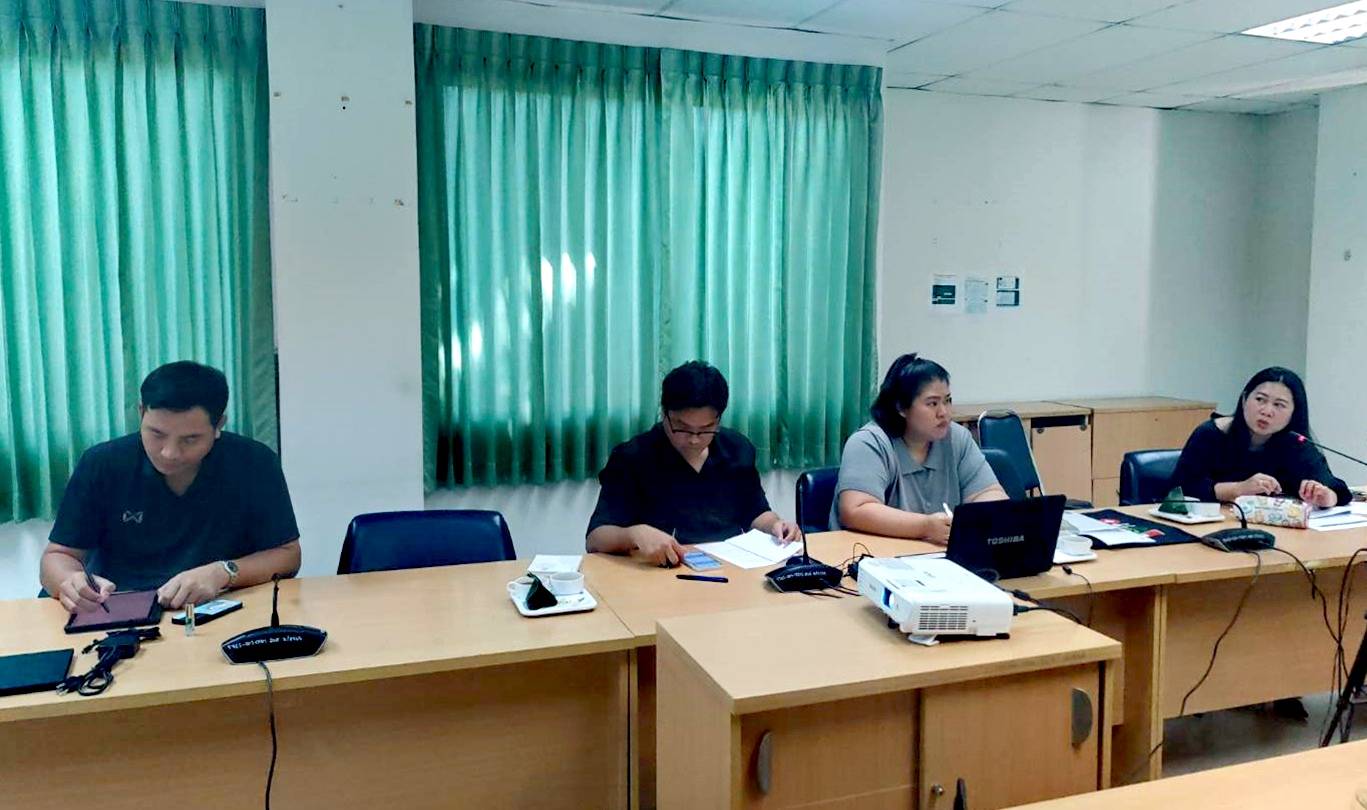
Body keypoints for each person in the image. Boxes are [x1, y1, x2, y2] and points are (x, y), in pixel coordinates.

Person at [40, 361, 302, 612]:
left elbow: (287, 555)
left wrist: (223, 572)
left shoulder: (254, 462)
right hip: (118, 607)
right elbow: (57, 556)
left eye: (190, 439)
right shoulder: (103, 463)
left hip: (217, 606)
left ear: (218, 425)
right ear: (141, 413)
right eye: (157, 434)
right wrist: (70, 582)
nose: (169, 453)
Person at [586, 360, 800, 566]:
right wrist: (633, 534)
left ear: (719, 419)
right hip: (659, 573)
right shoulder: (633, 457)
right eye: (683, 428)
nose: (694, 439)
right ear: (664, 413)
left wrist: (775, 525)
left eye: (706, 429)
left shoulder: (737, 449)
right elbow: (595, 539)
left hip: (727, 570)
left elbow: (756, 512)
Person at [831, 353, 1006, 542]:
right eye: (932, 403)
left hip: (937, 553)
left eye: (947, 400)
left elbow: (989, 493)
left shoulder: (957, 438)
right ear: (901, 407)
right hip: (870, 552)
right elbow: (855, 510)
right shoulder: (869, 443)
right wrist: (925, 527)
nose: (944, 412)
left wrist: (983, 519)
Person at [1172, 366, 1350, 509]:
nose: (1266, 411)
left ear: (1294, 413)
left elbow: (1336, 487)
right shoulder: (1211, 434)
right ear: (1244, 400)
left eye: (1279, 405)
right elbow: (1178, 490)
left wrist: (1327, 497)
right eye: (1260, 399)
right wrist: (1238, 489)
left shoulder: (1296, 442)